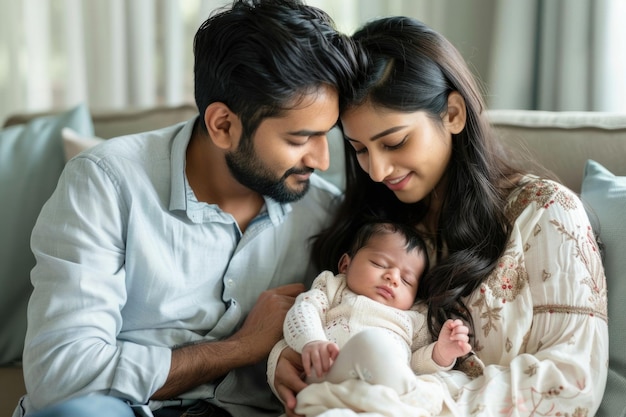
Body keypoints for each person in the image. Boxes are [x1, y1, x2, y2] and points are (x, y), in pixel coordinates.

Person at [13, 1, 361, 417]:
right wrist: (240, 348)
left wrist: (287, 350)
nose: (321, 160)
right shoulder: (105, 182)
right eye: (299, 138)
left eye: (327, 135)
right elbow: (60, 375)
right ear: (223, 125)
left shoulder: (325, 211)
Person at [269, 16, 609, 417]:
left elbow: (571, 382)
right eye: (360, 149)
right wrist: (283, 359)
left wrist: (409, 397)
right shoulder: (373, 226)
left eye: (394, 142)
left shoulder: (546, 212)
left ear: (453, 114)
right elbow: (329, 313)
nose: (377, 171)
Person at [282, 222, 471, 416]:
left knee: (458, 378)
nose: (393, 278)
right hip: (327, 382)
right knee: (371, 342)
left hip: (375, 401)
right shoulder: (334, 288)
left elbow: (413, 364)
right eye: (379, 264)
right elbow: (304, 310)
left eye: (407, 280)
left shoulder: (413, 318)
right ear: (345, 265)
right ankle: (417, 403)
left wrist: (441, 353)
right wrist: (312, 340)